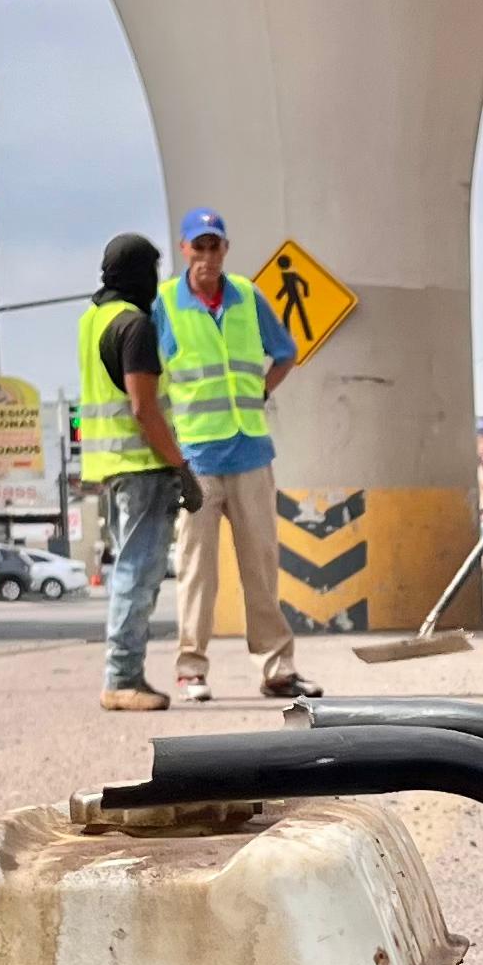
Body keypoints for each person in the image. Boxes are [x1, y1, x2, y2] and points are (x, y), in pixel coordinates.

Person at [157, 205, 318, 703]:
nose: (207, 256)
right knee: (196, 573)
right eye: (198, 246)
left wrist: (260, 393)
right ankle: (191, 669)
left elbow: (286, 351)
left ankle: (277, 669)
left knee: (261, 569)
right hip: (198, 461)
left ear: (225, 249)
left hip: (250, 454)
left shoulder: (248, 297)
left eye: (215, 246)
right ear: (184, 250)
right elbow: (150, 375)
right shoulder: (165, 303)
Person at [75, 230, 197, 712]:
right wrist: (180, 465)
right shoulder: (135, 326)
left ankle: (125, 674)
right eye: (153, 268)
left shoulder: (92, 319)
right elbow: (145, 408)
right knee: (137, 573)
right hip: (143, 468)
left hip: (112, 467)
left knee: (132, 569)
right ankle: (123, 677)